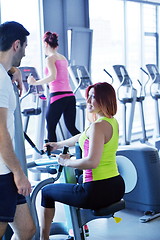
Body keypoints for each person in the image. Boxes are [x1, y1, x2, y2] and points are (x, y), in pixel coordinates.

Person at [40, 82, 125, 240]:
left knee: (47, 192)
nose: (88, 101)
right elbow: (82, 136)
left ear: (105, 99)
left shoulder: (97, 127)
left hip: (96, 191)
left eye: (94, 97)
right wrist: (58, 144)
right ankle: (77, 228)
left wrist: (66, 162)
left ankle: (43, 238)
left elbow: (92, 162)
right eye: (89, 96)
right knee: (78, 178)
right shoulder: (110, 122)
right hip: (116, 186)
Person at [0, 21, 36, 239]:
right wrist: (18, 173)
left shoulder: (5, 74)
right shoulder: (1, 81)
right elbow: (1, 132)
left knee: (27, 229)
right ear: (16, 45)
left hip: (7, 169)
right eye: (25, 46)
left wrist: (15, 70)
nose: (25, 52)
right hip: (3, 172)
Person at [27, 31, 80, 142]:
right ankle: (90, 146)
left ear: (46, 44)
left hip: (58, 96)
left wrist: (35, 82)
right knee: (71, 127)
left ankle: (51, 156)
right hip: (70, 96)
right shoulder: (63, 58)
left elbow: (52, 76)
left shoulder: (50, 58)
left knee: (51, 127)